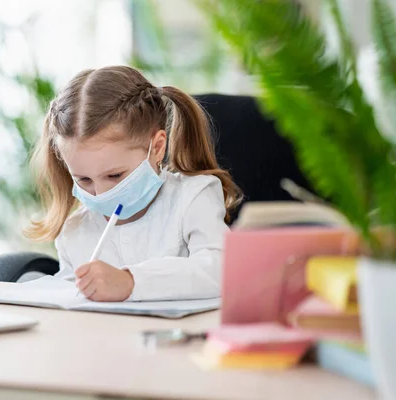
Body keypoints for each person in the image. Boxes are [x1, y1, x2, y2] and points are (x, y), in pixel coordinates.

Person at [25, 65, 241, 302]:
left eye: (115, 176)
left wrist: (131, 282)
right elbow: (70, 298)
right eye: (84, 180)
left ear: (157, 147)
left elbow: (221, 270)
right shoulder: (75, 230)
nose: (101, 193)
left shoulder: (194, 195)